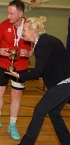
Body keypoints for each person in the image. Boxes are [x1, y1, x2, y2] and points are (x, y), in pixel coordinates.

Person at [6, 16, 70, 145]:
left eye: (24, 30)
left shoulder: (42, 44)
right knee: (54, 112)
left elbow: (38, 72)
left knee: (39, 111)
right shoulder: (42, 42)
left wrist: (19, 75)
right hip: (64, 83)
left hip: (64, 83)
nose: (22, 32)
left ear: (33, 32)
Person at [0, 0, 33, 141]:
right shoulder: (4, 25)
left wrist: (29, 53)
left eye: (11, 13)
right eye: (8, 13)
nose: (8, 16)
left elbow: (36, 45)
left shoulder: (29, 25)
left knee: (16, 95)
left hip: (21, 67)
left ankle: (12, 125)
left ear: (20, 13)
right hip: (4, 64)